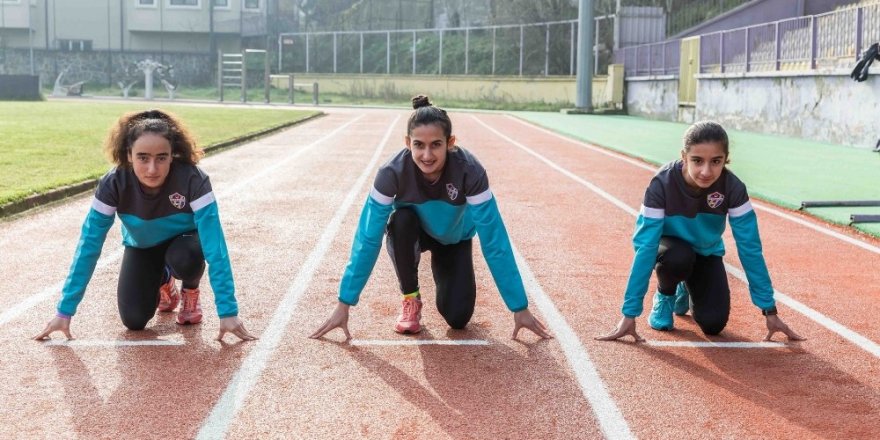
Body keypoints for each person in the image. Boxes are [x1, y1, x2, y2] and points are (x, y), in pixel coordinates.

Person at [311, 95, 552, 341]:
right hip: (413, 232)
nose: (427, 155)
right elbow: (368, 238)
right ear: (408, 143)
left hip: (453, 238)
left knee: (458, 318)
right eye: (419, 145)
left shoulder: (470, 171)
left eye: (436, 144)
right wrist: (344, 303)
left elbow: (494, 240)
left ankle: (447, 275)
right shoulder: (390, 173)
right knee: (401, 220)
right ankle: (411, 298)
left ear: (450, 142)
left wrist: (519, 307)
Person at [34, 109, 257, 342]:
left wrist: (228, 312)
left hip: (184, 243)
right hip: (143, 246)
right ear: (129, 155)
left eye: (161, 157)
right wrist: (64, 311)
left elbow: (215, 246)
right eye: (143, 157)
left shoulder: (193, 179)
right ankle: (164, 281)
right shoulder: (114, 183)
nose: (152, 169)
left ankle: (190, 289)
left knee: (186, 258)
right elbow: (89, 245)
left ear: (173, 155)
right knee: (134, 320)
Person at [597, 121, 804, 342]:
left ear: (726, 159)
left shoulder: (733, 188)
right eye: (697, 161)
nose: (706, 171)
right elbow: (646, 245)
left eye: (716, 162)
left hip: (706, 252)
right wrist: (630, 314)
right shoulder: (662, 183)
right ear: (684, 157)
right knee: (678, 258)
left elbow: (749, 247)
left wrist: (769, 310)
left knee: (714, 324)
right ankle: (666, 293)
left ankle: (685, 287)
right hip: (670, 250)